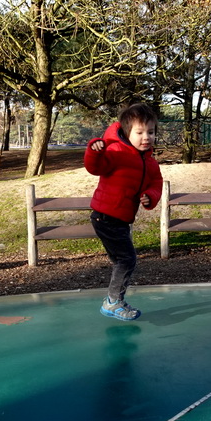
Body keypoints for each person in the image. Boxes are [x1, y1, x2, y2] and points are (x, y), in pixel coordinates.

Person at [84, 103, 164, 321]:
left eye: (151, 132)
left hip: (120, 219)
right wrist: (94, 149)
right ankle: (112, 302)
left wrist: (150, 195)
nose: (146, 137)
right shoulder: (116, 151)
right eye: (139, 132)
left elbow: (157, 182)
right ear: (127, 133)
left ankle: (114, 299)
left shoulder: (150, 162)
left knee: (121, 259)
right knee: (127, 260)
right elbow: (95, 167)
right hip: (106, 215)